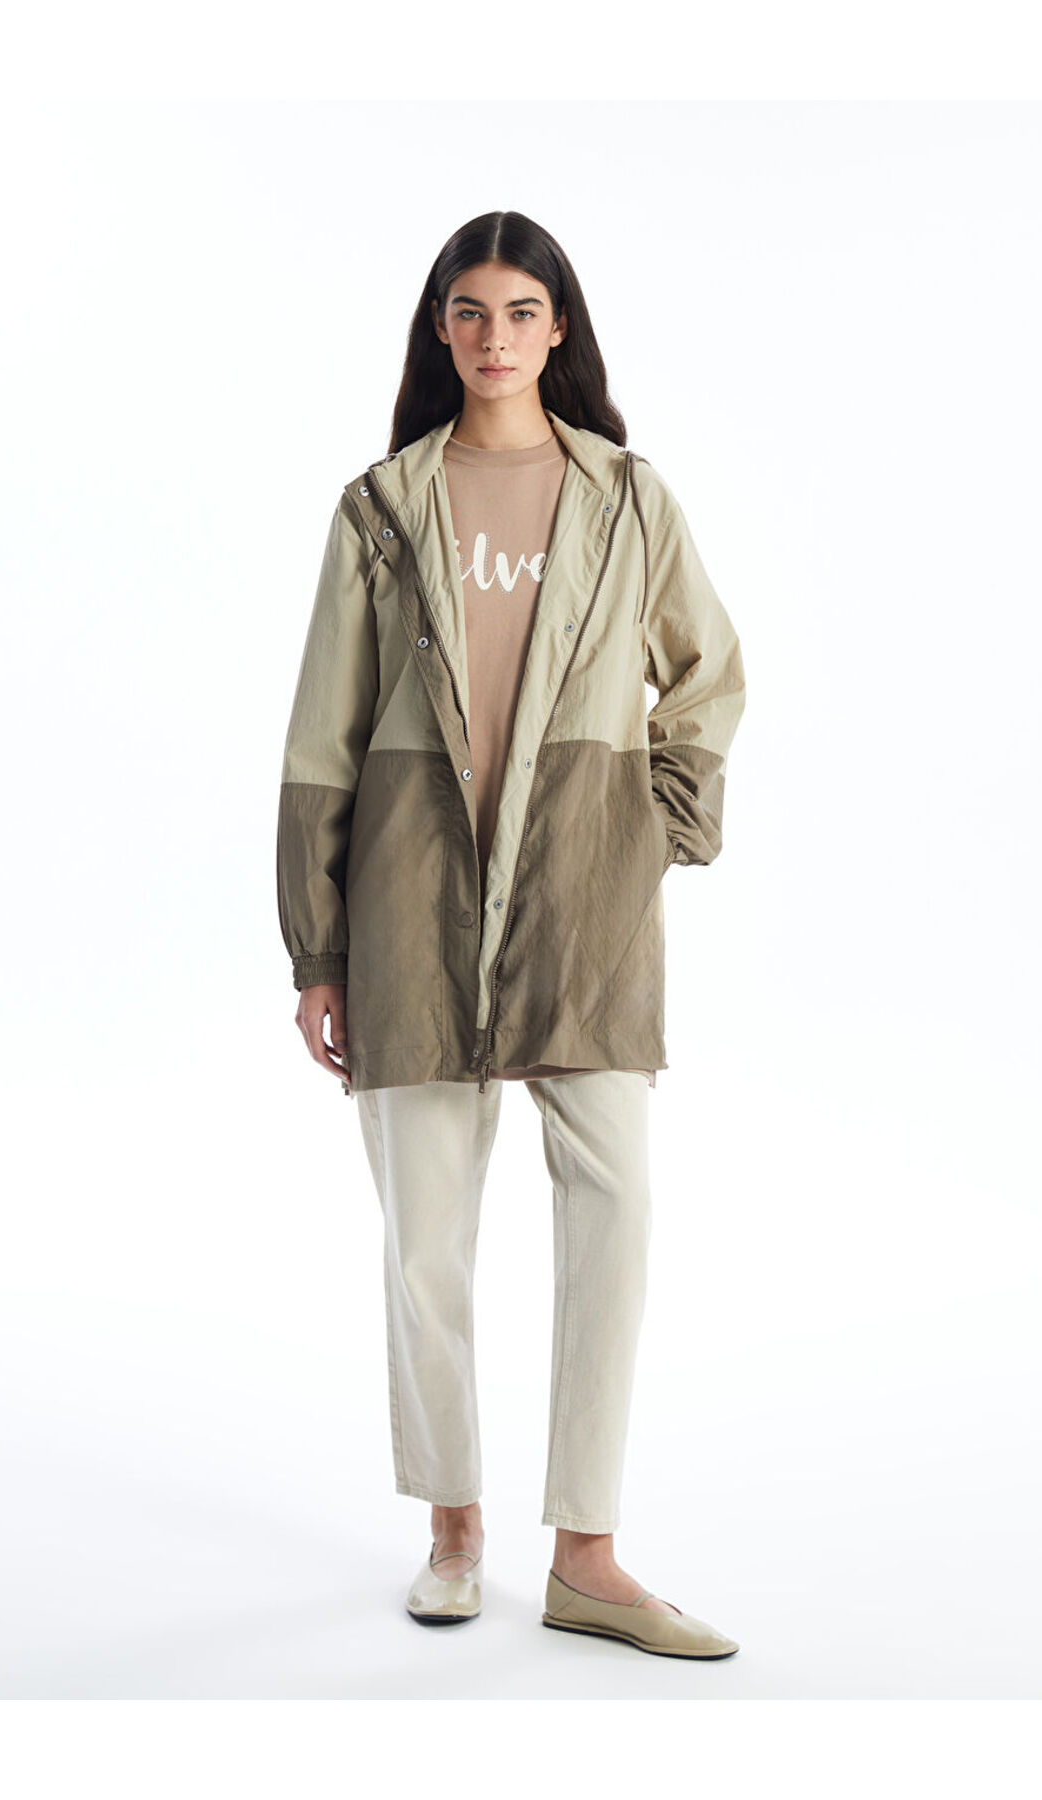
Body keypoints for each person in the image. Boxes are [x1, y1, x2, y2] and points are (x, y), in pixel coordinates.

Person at [276, 211, 746, 1658]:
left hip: (583, 900)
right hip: (410, 896)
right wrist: (318, 950)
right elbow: (322, 735)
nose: (495, 337)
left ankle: (587, 1554)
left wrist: (655, 825)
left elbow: (708, 672)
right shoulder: (381, 507)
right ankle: (454, 1525)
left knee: (617, 1206)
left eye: (522, 312)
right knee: (426, 1235)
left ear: (560, 330)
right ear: (441, 328)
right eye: (470, 311)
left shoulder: (627, 497)